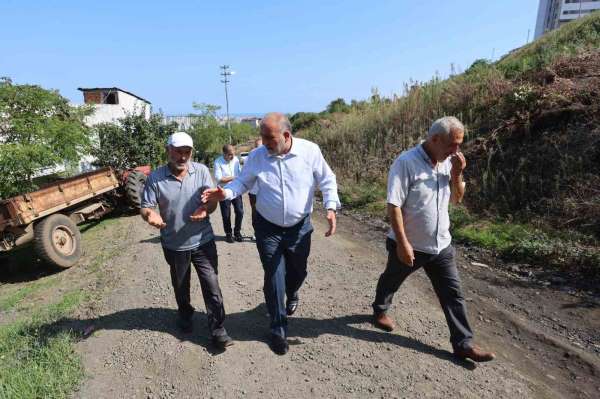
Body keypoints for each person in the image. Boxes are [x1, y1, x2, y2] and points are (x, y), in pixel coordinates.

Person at [202, 113, 340, 355]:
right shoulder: (257, 156)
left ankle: (293, 290)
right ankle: (278, 329)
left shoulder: (310, 151)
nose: (264, 142)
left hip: (300, 227)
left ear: (286, 136)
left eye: (269, 138)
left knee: (298, 272)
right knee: (274, 275)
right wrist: (225, 193)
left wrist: (330, 207)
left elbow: (327, 179)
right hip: (268, 228)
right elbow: (243, 183)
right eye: (262, 137)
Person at [371, 116, 495, 362]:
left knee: (453, 294)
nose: (456, 150)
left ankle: (463, 343)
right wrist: (403, 243)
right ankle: (379, 310)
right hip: (410, 243)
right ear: (435, 139)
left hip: (441, 244)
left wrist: (457, 175)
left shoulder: (448, 162)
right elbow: (393, 205)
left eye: (459, 144)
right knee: (391, 279)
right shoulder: (406, 163)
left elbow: (457, 199)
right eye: (452, 144)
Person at [141, 132, 233, 350]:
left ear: (192, 152)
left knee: (212, 285)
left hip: (203, 240)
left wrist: (205, 208)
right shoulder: (156, 177)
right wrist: (150, 215)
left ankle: (218, 330)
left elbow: (211, 202)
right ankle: (185, 313)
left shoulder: (201, 171)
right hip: (174, 244)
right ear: (168, 151)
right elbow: (146, 207)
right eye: (178, 151)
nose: (182, 157)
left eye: (187, 152)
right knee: (181, 286)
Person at [214, 144, 243, 243]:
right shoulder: (218, 162)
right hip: (224, 191)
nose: (232, 156)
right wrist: (234, 177)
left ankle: (237, 232)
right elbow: (219, 179)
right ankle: (228, 234)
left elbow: (240, 173)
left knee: (240, 212)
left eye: (233, 154)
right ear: (224, 154)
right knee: (226, 215)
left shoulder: (235, 160)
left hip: (236, 190)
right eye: (230, 155)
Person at [248, 137, 262, 228]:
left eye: (261, 146)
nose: (259, 149)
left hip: (265, 192)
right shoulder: (250, 158)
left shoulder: (270, 158)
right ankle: (255, 231)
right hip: (253, 192)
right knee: (255, 213)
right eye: (257, 146)